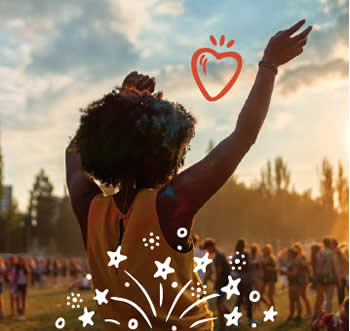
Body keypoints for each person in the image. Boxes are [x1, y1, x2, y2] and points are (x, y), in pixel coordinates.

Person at [65, 19, 312, 330]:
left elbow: (72, 155)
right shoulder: (167, 206)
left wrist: (120, 100)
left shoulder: (92, 210)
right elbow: (243, 136)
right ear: (166, 149)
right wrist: (268, 66)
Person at [203, 238, 231, 331]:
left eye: (207, 248)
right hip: (224, 281)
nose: (207, 251)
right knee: (221, 303)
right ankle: (233, 317)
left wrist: (216, 282)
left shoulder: (218, 255)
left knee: (219, 304)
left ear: (210, 246)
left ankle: (222, 326)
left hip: (222, 282)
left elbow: (219, 270)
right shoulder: (219, 254)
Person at [232, 239, 256, 327]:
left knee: (239, 299)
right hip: (246, 279)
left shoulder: (235, 255)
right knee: (248, 299)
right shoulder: (246, 254)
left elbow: (234, 267)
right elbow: (249, 266)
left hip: (238, 279)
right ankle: (250, 319)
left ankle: (235, 319)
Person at [316, 237, 337, 314]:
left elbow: (318, 265)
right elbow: (335, 266)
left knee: (320, 297)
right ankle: (328, 315)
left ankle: (319, 313)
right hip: (330, 276)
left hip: (321, 276)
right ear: (330, 243)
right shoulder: (332, 253)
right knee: (329, 298)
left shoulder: (319, 253)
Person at [282, 247, 302, 321]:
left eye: (288, 253)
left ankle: (299, 315)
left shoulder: (295, 262)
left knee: (296, 299)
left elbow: (295, 273)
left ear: (291, 254)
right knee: (291, 300)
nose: (287, 254)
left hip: (295, 282)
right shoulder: (290, 261)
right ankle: (291, 315)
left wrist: (284, 272)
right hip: (291, 282)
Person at [293, 242, 312, 319]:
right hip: (298, 278)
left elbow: (305, 265)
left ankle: (309, 312)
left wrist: (300, 262)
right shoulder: (297, 258)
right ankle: (304, 312)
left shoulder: (301, 257)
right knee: (301, 295)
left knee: (303, 295)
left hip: (303, 278)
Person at [331, 239, 348, 305]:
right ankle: (342, 309)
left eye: (331, 244)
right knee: (341, 294)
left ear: (333, 244)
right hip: (341, 275)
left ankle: (343, 309)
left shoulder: (338, 252)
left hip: (342, 276)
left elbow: (346, 262)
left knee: (341, 294)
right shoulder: (335, 252)